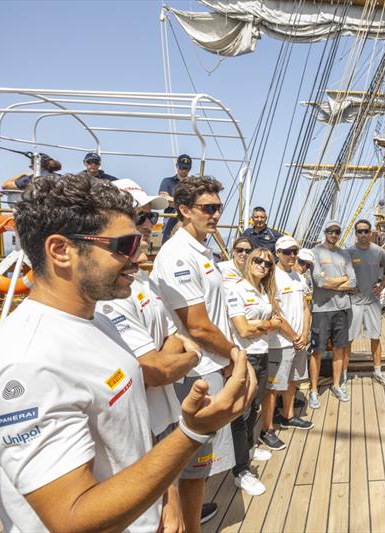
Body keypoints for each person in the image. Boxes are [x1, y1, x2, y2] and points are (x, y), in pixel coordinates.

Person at [0, 173, 254, 532]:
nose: (140, 254)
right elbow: (71, 518)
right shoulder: (26, 363)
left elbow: (134, 439)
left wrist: (166, 500)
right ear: (60, 251)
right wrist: (193, 432)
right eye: (125, 245)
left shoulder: (96, 321)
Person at [95, 178, 221, 525]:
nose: (149, 226)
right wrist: (193, 356)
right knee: (161, 517)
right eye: (139, 218)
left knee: (190, 486)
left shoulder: (142, 281)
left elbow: (170, 342)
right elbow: (154, 369)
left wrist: (175, 355)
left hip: (166, 415)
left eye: (150, 217)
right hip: (139, 429)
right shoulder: (110, 294)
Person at [151, 176, 243, 531]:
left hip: (211, 365)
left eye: (219, 207)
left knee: (197, 463)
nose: (217, 214)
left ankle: (191, 519)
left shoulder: (201, 249)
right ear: (185, 210)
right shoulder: (177, 255)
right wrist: (235, 355)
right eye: (208, 208)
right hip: (197, 373)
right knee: (190, 459)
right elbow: (199, 326)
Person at [225, 248, 279, 496]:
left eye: (267, 264)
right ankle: (241, 471)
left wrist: (261, 325)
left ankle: (248, 447)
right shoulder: (236, 289)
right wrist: (265, 326)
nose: (263, 266)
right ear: (248, 261)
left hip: (262, 352)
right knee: (241, 413)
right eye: (258, 260)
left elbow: (271, 321)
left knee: (254, 407)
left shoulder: (264, 291)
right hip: (245, 356)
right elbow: (244, 331)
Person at [262, 236, 314, 445]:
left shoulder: (299, 277)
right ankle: (267, 429)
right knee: (273, 387)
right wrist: (294, 336)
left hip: (298, 339)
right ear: (278, 253)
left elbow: (305, 307)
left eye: (294, 252)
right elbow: (275, 313)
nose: (291, 255)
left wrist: (304, 333)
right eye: (286, 252)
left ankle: (288, 416)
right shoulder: (272, 277)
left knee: (292, 380)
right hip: (280, 342)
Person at [308, 220, 356, 405]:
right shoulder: (316, 253)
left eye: (337, 231)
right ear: (325, 231)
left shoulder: (345, 254)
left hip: (342, 309)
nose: (334, 234)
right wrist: (342, 280)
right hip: (321, 309)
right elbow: (320, 282)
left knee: (339, 349)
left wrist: (334, 281)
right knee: (317, 351)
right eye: (330, 231)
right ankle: (313, 390)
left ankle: (336, 385)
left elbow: (352, 281)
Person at [346, 219, 385, 387]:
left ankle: (378, 372)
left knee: (375, 337)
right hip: (354, 302)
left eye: (366, 231)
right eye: (360, 231)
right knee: (348, 339)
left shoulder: (379, 252)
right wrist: (346, 287)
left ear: (371, 232)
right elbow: (341, 272)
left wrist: (381, 286)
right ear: (356, 233)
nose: (364, 234)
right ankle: (344, 374)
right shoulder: (349, 252)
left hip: (372, 302)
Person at [158, 154, 192, 243]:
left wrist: (173, 202)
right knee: (167, 243)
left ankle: (224, 251)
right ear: (177, 166)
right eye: (182, 167)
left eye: (186, 168)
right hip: (171, 218)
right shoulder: (167, 181)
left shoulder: (193, 184)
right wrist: (184, 203)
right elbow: (164, 198)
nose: (184, 170)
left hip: (188, 219)